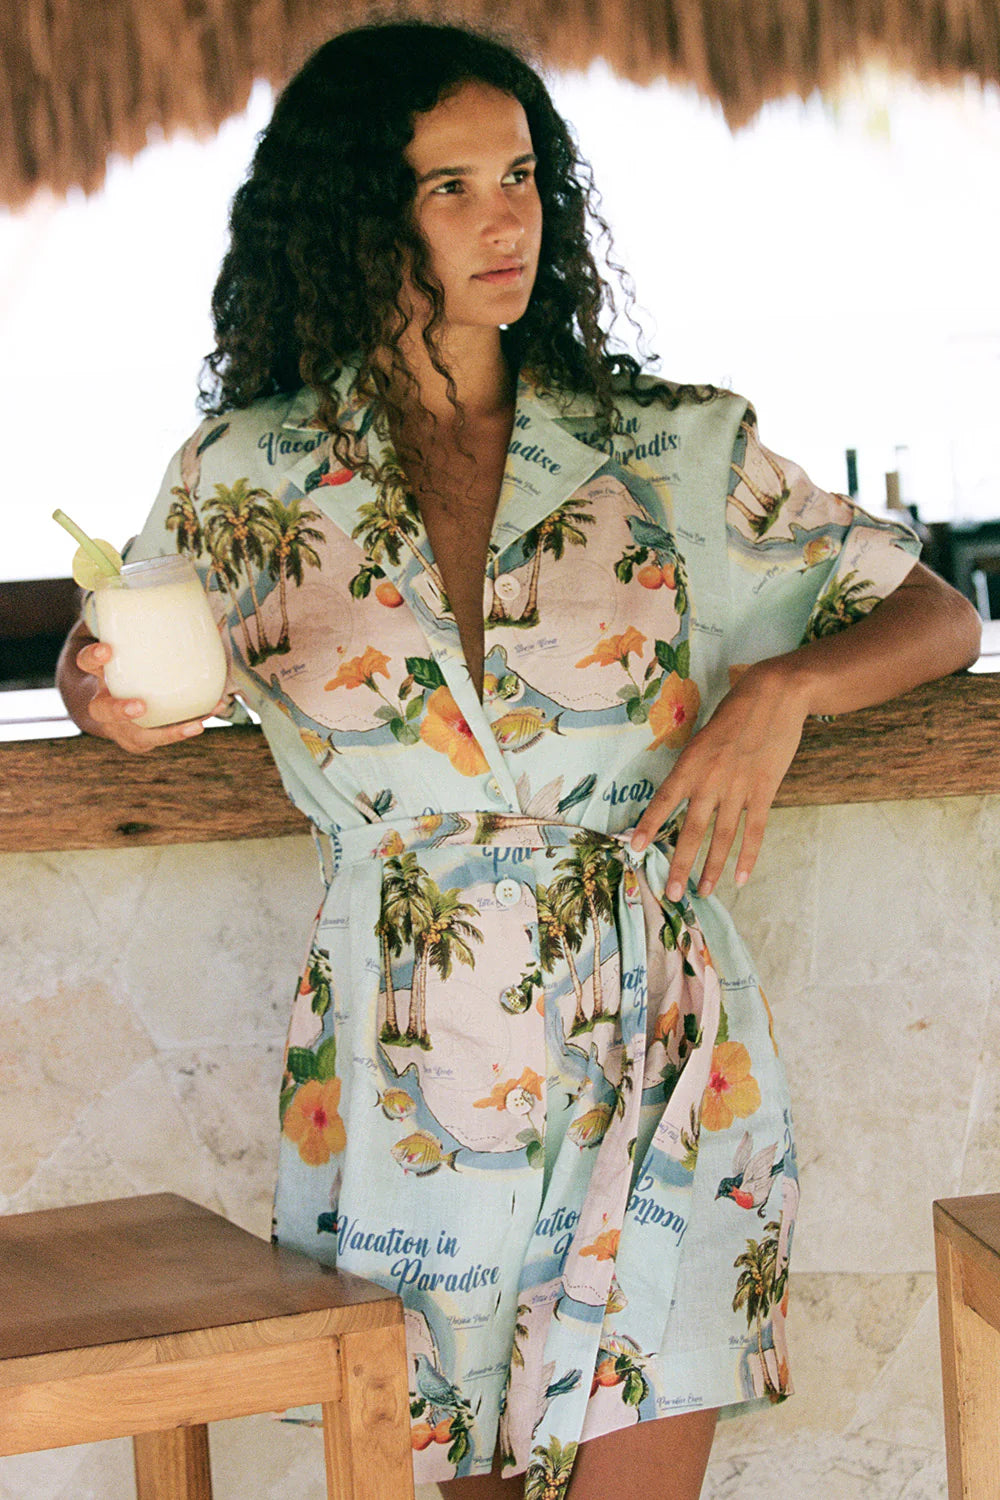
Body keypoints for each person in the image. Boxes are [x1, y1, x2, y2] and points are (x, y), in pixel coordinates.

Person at [57, 20, 981, 1499]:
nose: (509, 219)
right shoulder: (244, 479)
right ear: (362, 214)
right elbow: (122, 642)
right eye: (451, 186)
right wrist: (97, 693)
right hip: (414, 1057)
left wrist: (789, 688)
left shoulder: (671, 447)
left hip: (661, 1042)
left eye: (525, 175)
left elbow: (937, 610)